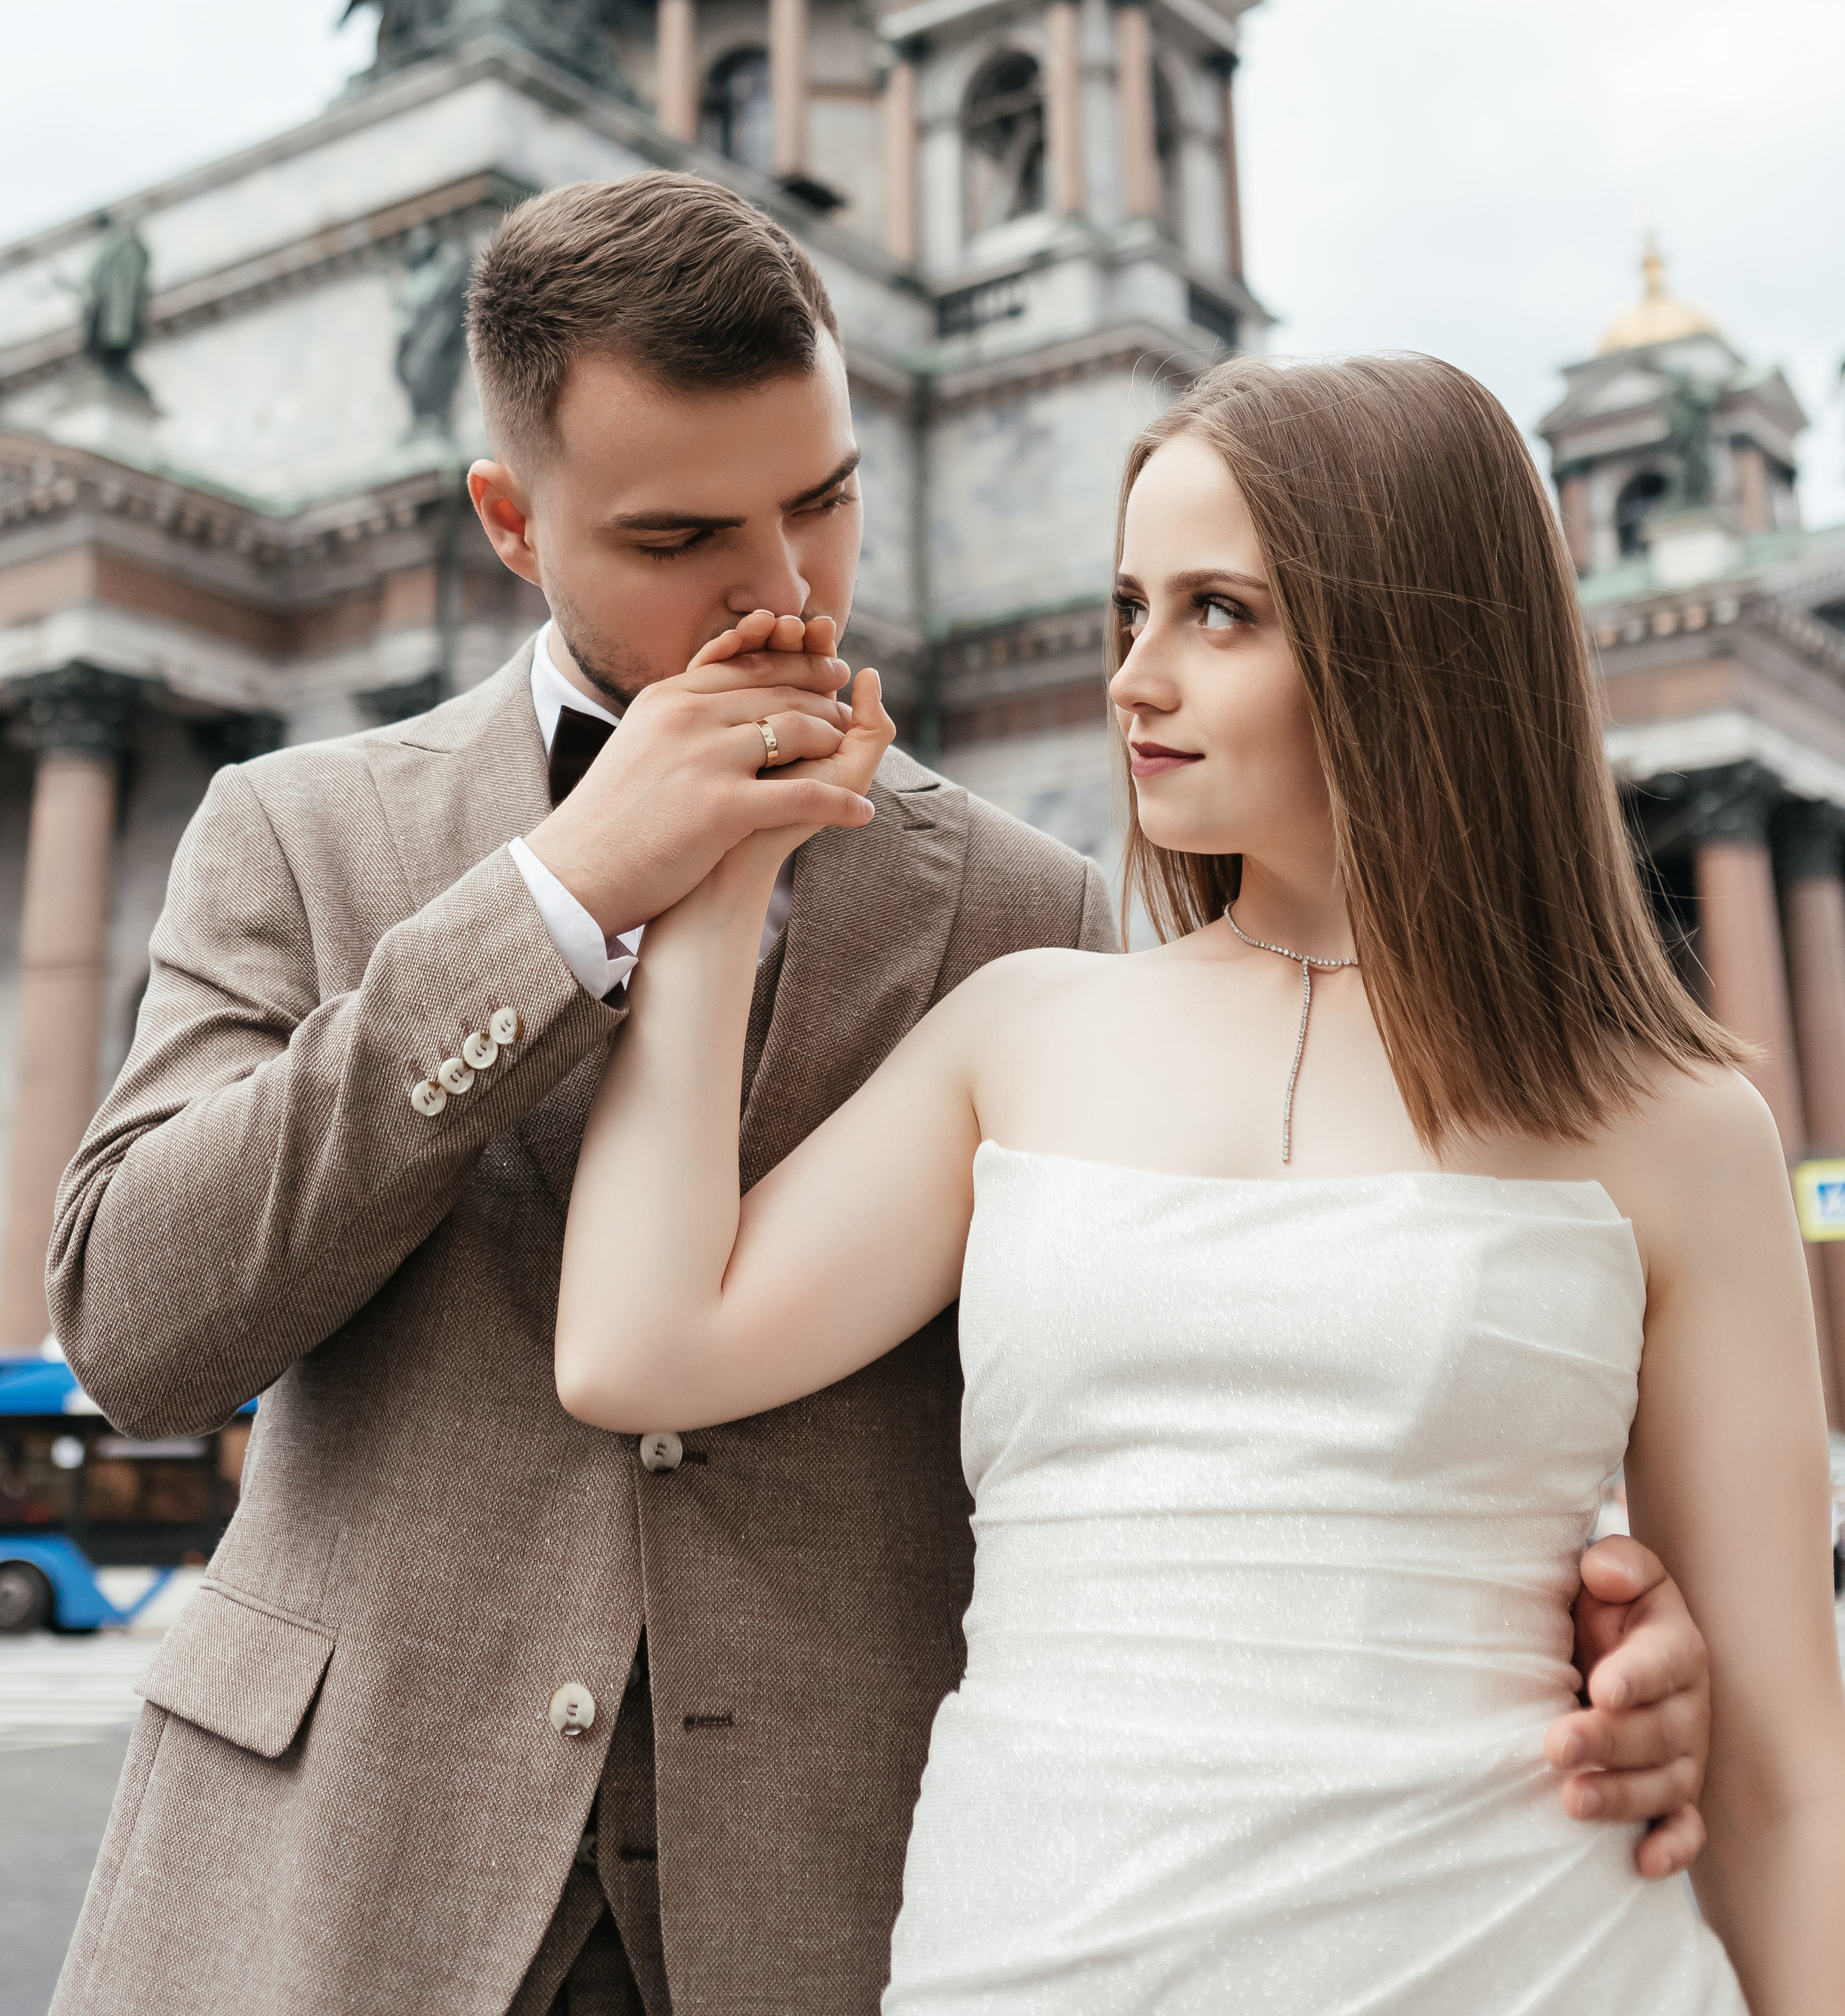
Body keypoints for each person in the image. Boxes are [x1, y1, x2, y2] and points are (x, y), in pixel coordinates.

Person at [45, 182, 1710, 2016]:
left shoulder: (1028, 909)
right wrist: (560, 895)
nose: (782, 590)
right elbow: (139, 1331)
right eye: (682, 533)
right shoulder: (301, 831)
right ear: (511, 526)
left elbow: (1184, 1403)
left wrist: (1532, 1612)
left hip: (840, 1900)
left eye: (824, 500)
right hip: (348, 1880)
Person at [556, 350, 1845, 2015]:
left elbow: (1778, 1775)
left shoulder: (1671, 1122)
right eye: (1126, 610)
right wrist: (720, 884)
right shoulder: (1019, 1030)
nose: (1132, 681)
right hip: (1032, 1966)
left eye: (1219, 614)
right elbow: (635, 1349)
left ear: (1413, 646)